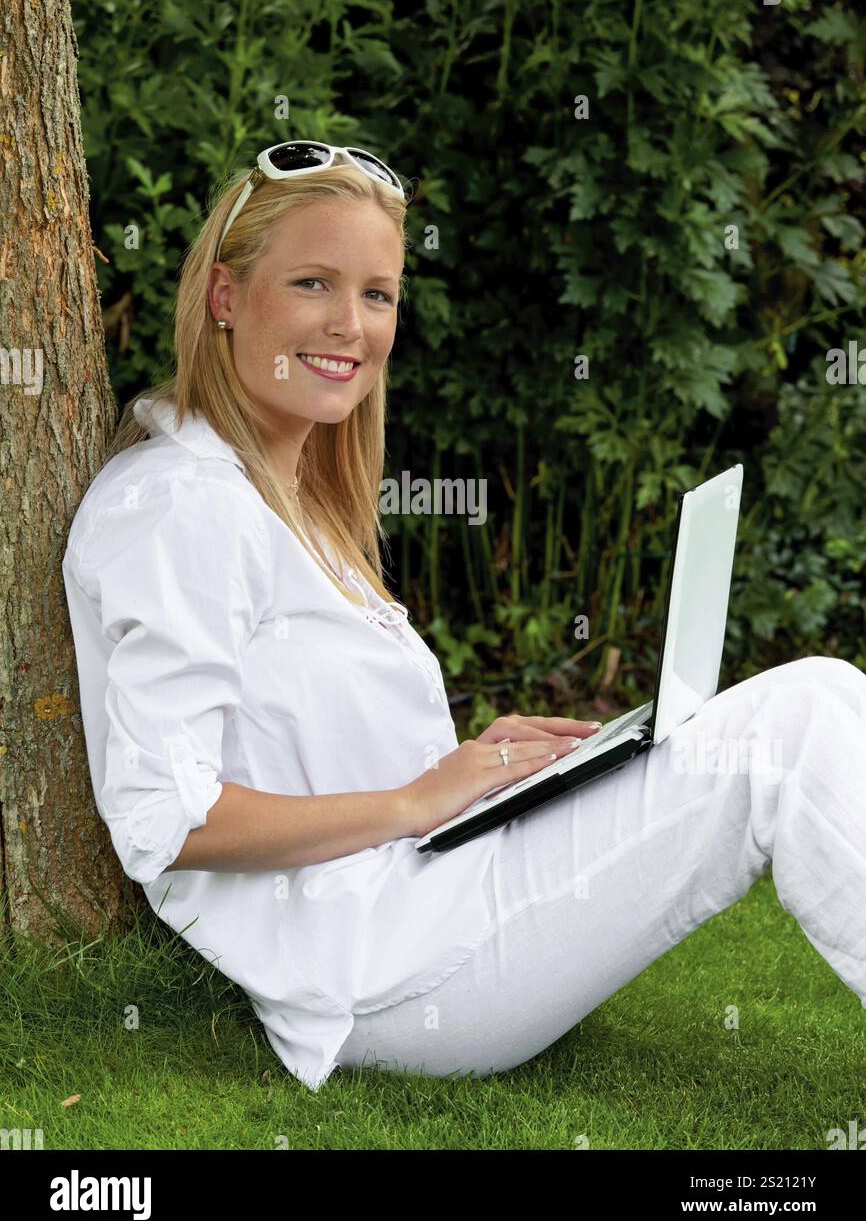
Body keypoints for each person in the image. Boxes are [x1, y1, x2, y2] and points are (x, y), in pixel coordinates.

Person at [63, 142, 866, 1094]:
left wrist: (480, 775)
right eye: (314, 282)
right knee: (801, 718)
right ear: (225, 297)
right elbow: (167, 820)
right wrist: (417, 800)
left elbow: (312, 748)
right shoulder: (179, 506)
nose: (349, 325)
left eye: (377, 294)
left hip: (429, 891)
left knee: (816, 701)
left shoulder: (289, 497)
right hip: (385, 968)